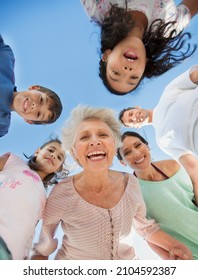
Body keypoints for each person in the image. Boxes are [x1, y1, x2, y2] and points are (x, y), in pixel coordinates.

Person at [31, 105, 192, 260]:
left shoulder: (130, 183)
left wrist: (174, 246)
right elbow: (43, 249)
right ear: (74, 153)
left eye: (103, 134)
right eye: (84, 137)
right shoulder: (61, 193)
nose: (95, 142)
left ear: (114, 147)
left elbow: (145, 228)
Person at [80, 0, 198, 95]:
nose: (127, 70)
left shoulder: (99, 9)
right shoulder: (169, 27)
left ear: (106, 55)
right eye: (134, 77)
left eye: (115, 73)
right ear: (145, 64)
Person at [119, 65, 198, 205]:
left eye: (131, 114)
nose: (134, 117)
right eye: (131, 122)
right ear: (136, 127)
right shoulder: (162, 141)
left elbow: (194, 76)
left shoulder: (168, 93)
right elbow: (192, 167)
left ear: (137, 107)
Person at [117, 131, 198, 259]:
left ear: (147, 146)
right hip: (188, 253)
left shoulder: (173, 166)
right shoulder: (131, 192)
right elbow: (148, 234)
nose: (136, 153)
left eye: (138, 145)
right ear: (122, 162)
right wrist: (168, 259)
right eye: (127, 152)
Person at [0, 138, 67, 260]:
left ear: (58, 168)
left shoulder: (45, 200)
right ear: (37, 151)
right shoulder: (14, 162)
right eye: (51, 150)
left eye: (59, 157)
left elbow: (32, 228)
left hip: (11, 251)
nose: (53, 155)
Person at [0, 33, 63, 138]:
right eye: (41, 100)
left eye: (38, 114)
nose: (35, 106)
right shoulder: (6, 59)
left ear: (29, 121)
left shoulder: (2, 127)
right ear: (34, 88)